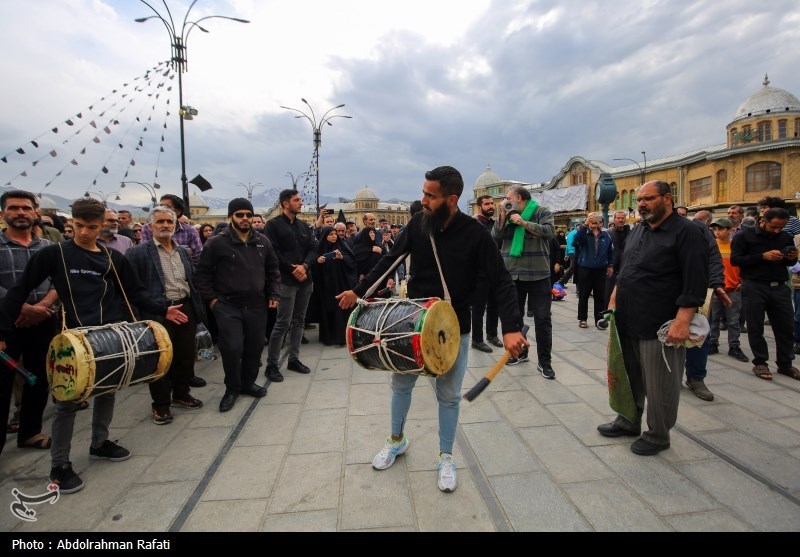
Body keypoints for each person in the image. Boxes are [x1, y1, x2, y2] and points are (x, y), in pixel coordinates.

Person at [336, 165, 527, 493]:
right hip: (412, 322)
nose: (422, 200)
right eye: (423, 192)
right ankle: (397, 440)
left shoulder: (475, 235)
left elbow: (501, 282)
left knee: (449, 396)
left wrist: (511, 328)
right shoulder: (417, 225)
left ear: (451, 199)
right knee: (400, 387)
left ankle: (446, 457)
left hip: (455, 325)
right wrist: (360, 290)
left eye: (430, 195)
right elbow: (390, 262)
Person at [0, 197, 188, 493]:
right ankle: (59, 465)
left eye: (91, 227)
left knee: (108, 391)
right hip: (72, 338)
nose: (84, 232)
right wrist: (2, 329)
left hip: (109, 336)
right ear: (71, 223)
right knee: (66, 403)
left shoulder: (113, 258)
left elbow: (136, 293)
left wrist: (162, 309)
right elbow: (18, 291)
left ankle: (99, 443)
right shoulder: (54, 255)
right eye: (78, 226)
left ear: (102, 226)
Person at [597, 181, 708, 455]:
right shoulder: (640, 229)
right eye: (639, 200)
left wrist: (683, 320)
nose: (642, 204)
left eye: (648, 198)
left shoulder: (687, 232)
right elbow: (626, 267)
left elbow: (695, 280)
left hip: (660, 324)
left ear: (667, 198)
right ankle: (628, 420)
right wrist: (615, 297)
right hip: (628, 317)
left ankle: (658, 435)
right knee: (629, 374)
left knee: (660, 384)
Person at [195, 198, 280, 411]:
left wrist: (274, 293)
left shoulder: (262, 241)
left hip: (256, 305)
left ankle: (248, 383)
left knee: (254, 346)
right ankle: (232, 388)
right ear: (231, 216)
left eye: (248, 215)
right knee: (232, 348)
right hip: (227, 305)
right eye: (240, 214)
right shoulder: (217, 242)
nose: (245, 219)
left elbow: (273, 270)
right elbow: (202, 274)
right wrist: (213, 301)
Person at [125, 206, 206, 424]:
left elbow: (191, 282)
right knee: (161, 359)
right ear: (150, 226)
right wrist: (160, 310)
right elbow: (133, 290)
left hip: (185, 308)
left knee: (186, 355)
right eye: (160, 222)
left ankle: (181, 394)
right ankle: (160, 405)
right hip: (158, 311)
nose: (165, 226)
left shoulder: (183, 252)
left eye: (169, 222)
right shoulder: (138, 252)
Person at [0, 190, 59, 455]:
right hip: (5, 324)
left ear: (36, 212)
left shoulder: (47, 248)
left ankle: (30, 432)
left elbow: (59, 281)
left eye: (26, 208)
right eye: (14, 208)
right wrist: (21, 307)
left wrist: (42, 306)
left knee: (39, 378)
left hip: (43, 320)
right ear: (3, 214)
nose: (20, 212)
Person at [492, 186, 557, 378]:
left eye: (508, 198)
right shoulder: (507, 214)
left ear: (519, 198)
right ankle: (520, 353)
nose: (506, 200)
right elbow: (496, 235)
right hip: (513, 274)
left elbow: (549, 232)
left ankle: (545, 362)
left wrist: (524, 223)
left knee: (543, 319)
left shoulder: (541, 212)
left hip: (539, 275)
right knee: (515, 319)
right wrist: (503, 214)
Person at [731, 207, 799, 381]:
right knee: (755, 326)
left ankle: (785, 364)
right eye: (773, 227)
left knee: (785, 326)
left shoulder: (785, 237)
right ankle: (760, 362)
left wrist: (791, 257)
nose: (777, 231)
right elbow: (736, 260)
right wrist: (762, 256)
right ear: (763, 220)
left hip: (780, 286)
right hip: (754, 285)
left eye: (781, 227)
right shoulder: (743, 237)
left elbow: (789, 262)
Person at [263, 190, 316, 383]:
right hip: (286, 281)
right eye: (297, 200)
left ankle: (294, 359)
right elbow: (272, 252)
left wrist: (305, 266)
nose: (301, 203)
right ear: (286, 203)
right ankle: (272, 365)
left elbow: (313, 248)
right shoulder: (273, 225)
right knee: (282, 322)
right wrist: (292, 268)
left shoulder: (303, 225)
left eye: (300, 199)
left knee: (299, 320)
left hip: (305, 280)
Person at [683, 213, 731, 402]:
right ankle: (667, 376)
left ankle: (696, 378)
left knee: (699, 335)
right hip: (665, 292)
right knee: (666, 336)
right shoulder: (651, 228)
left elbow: (713, 258)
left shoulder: (698, 229)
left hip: (698, 292)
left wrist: (717, 283)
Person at [707, 217, 748, 361]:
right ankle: (713, 342)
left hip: (733, 289)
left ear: (730, 230)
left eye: (721, 229)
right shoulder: (711, 247)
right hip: (715, 288)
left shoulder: (736, 247)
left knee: (733, 320)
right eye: (715, 229)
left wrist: (741, 282)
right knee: (714, 319)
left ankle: (734, 346)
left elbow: (744, 265)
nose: (717, 232)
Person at [313, 226, 357, 346]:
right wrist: (318, 261)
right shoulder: (320, 248)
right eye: (330, 234)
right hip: (326, 286)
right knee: (328, 310)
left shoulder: (342, 246)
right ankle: (329, 336)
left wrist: (342, 258)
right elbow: (313, 266)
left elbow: (352, 261)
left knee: (340, 310)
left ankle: (341, 336)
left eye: (335, 234)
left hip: (340, 284)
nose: (334, 236)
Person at [471, 195, 502, 352]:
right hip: (479, 272)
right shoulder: (475, 224)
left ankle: (492, 334)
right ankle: (477, 339)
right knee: (478, 306)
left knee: (494, 304)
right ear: (479, 207)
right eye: (487, 204)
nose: (491, 206)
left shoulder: (492, 223)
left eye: (492, 204)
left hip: (493, 270)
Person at [573, 213, 614, 329]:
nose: (595, 224)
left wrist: (610, 265)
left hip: (600, 270)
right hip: (585, 269)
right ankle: (582, 319)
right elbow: (576, 241)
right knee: (584, 295)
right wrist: (585, 225)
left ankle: (599, 319)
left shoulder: (606, 236)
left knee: (600, 296)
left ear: (602, 224)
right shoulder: (584, 234)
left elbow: (611, 252)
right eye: (593, 222)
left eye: (598, 222)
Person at [141, 194, 203, 268]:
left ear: (178, 211)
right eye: (160, 206)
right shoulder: (148, 228)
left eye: (167, 207)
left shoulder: (190, 231)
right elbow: (146, 255)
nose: (162, 209)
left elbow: (198, 257)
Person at [606, 210, 630, 310]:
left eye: (622, 218)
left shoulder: (630, 233)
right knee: (608, 294)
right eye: (618, 218)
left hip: (626, 269)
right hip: (612, 269)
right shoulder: (608, 233)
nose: (620, 220)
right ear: (614, 219)